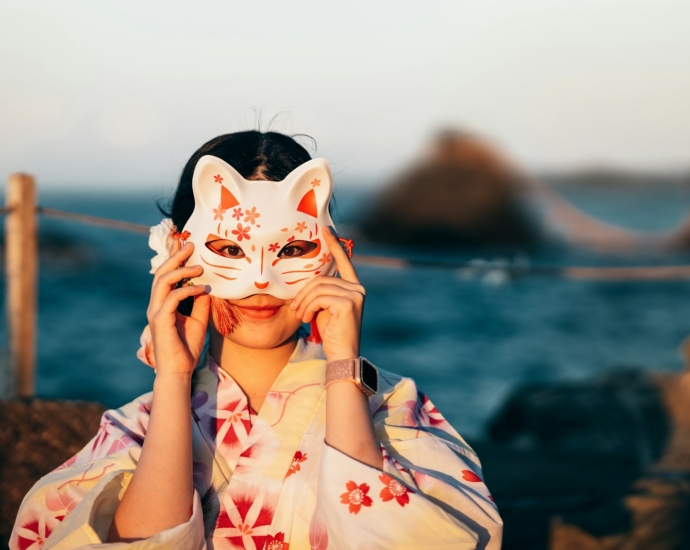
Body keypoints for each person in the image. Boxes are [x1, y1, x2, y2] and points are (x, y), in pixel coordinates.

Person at [10, 131, 503, 549]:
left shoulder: (393, 408)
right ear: (177, 254)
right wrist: (173, 378)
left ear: (333, 252)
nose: (262, 279)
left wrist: (343, 367)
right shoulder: (137, 427)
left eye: (292, 248)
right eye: (228, 249)